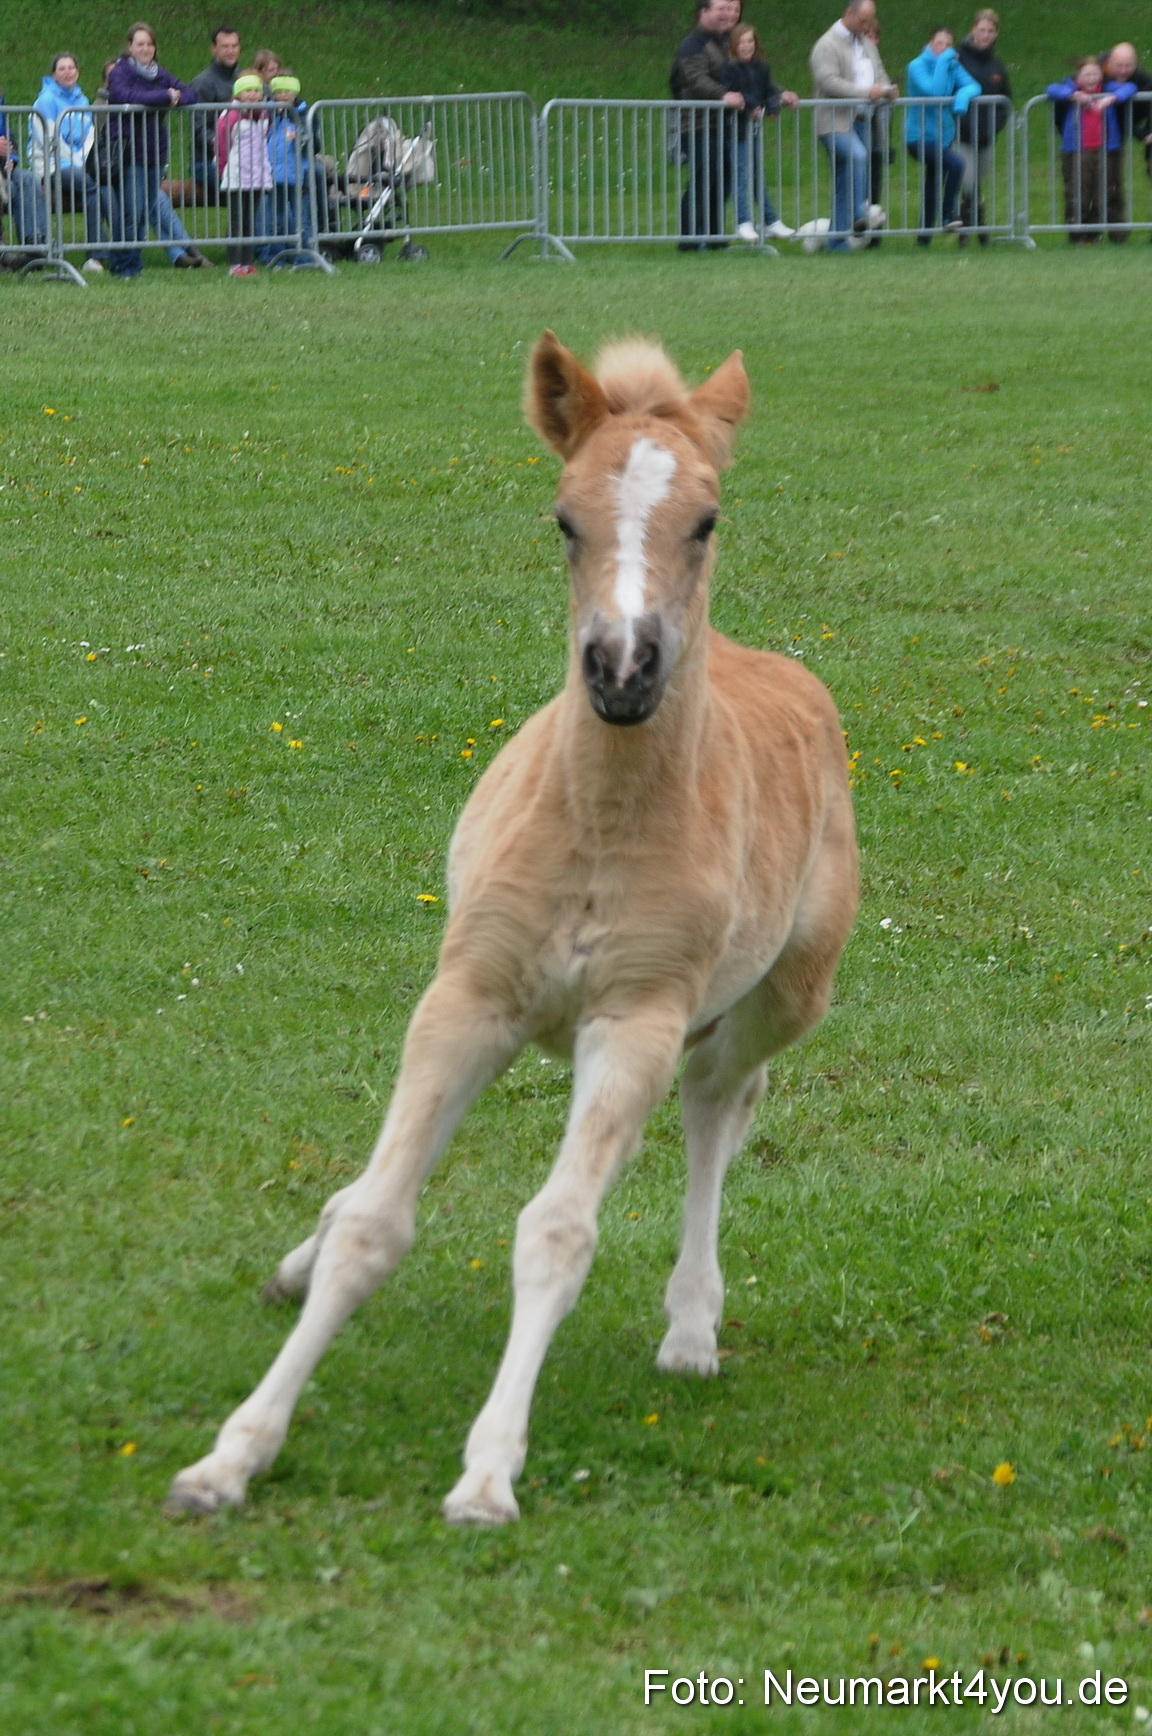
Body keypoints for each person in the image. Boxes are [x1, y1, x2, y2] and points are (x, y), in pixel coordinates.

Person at [106, 22, 204, 276]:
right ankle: (126, 266)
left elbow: (190, 94)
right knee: (131, 213)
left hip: (154, 152)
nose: (146, 48)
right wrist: (164, 97)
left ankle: (130, 264)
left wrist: (173, 96)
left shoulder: (159, 73)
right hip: (129, 152)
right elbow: (124, 95)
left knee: (143, 211)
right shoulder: (120, 72)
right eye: (140, 44)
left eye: (150, 44)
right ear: (130, 47)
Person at [809, 0, 896, 250]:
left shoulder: (866, 44)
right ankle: (859, 212)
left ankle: (837, 242)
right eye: (863, 20)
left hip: (862, 121)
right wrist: (866, 92)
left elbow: (879, 73)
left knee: (843, 181)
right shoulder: (827, 44)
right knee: (857, 156)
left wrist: (888, 89)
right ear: (849, 13)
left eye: (870, 21)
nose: (867, 26)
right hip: (834, 122)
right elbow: (828, 82)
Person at [670, 0, 743, 251]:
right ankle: (688, 240)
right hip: (697, 124)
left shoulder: (726, 42)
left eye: (731, 9)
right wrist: (724, 95)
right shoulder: (692, 45)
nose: (728, 14)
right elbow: (694, 78)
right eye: (721, 9)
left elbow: (748, 72)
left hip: (722, 123)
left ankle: (714, 237)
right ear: (704, 12)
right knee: (704, 178)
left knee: (722, 178)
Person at [1047, 56, 1137, 243]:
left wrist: (1112, 99)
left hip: (1105, 150)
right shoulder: (1071, 89)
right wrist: (1074, 95)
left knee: (1102, 193)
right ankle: (1077, 235)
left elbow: (1131, 88)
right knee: (1077, 193)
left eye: (1095, 73)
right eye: (1087, 74)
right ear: (1078, 77)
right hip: (1076, 151)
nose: (1091, 78)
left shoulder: (1107, 89)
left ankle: (1096, 233)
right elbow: (1051, 89)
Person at [29, 54, 105, 272]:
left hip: (78, 165)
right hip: (50, 166)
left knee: (106, 187)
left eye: (71, 67)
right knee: (91, 183)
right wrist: (77, 162)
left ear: (77, 72)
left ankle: (117, 252)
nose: (67, 72)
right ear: (54, 74)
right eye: (62, 68)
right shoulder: (45, 100)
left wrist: (81, 161)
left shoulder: (81, 100)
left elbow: (90, 136)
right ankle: (96, 254)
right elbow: (50, 140)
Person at [721, 22, 797, 240]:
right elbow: (737, 93)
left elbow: (768, 91)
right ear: (734, 46)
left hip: (753, 129)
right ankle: (742, 221)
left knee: (756, 175)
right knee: (741, 174)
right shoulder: (728, 69)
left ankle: (770, 220)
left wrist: (773, 105)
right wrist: (753, 105)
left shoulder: (762, 67)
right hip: (735, 130)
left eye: (750, 41)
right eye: (742, 42)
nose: (747, 46)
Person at [904, 27, 980, 245]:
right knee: (956, 164)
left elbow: (974, 86)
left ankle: (923, 239)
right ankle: (949, 214)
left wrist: (961, 99)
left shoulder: (951, 65)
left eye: (948, 45)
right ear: (930, 43)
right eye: (939, 43)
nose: (944, 48)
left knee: (933, 183)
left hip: (941, 137)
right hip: (918, 138)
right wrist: (945, 59)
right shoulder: (917, 66)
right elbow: (934, 91)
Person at [955, 8, 1011, 244]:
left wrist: (995, 126)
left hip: (987, 135)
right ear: (973, 30)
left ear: (995, 34)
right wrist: (964, 122)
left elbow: (1005, 100)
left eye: (990, 31)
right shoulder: (957, 58)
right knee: (967, 182)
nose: (985, 35)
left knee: (978, 183)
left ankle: (978, 226)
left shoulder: (997, 65)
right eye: (981, 30)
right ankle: (968, 232)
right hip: (962, 133)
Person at [217, 70, 272, 274]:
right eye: (247, 90)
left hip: (256, 175)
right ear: (238, 94)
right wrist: (223, 169)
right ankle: (234, 264)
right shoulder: (230, 117)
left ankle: (248, 263)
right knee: (236, 220)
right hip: (236, 174)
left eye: (256, 90)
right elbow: (222, 145)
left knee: (250, 220)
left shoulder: (264, 116)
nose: (252, 94)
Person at [263, 72, 320, 260]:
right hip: (273, 176)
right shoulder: (269, 114)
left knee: (301, 220)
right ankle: (278, 257)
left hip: (298, 177)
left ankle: (306, 257)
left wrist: (304, 140)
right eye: (279, 91)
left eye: (288, 91)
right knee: (275, 220)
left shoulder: (304, 115)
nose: (284, 95)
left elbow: (315, 145)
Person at [1100, 43, 1152, 240]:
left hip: (1118, 133)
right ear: (1108, 62)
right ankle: (1086, 235)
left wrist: (1144, 133)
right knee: (1096, 184)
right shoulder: (1095, 72)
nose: (1123, 71)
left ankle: (1118, 234)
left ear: (1136, 64)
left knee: (1112, 182)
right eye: (1118, 65)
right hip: (1093, 136)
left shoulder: (1143, 80)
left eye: (1128, 66)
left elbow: (1132, 115)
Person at [189, 24, 241, 200]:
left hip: (243, 158)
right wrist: (227, 144)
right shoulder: (202, 83)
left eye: (234, 46)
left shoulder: (245, 81)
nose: (230, 51)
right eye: (225, 46)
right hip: (206, 162)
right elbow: (199, 130)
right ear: (214, 49)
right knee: (246, 190)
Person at [0, 90, 48, 259]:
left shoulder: (1, 103)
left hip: (3, 166)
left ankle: (35, 243)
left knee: (28, 179)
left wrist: (11, 158)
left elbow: (10, 139)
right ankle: (3, 252)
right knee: (10, 189)